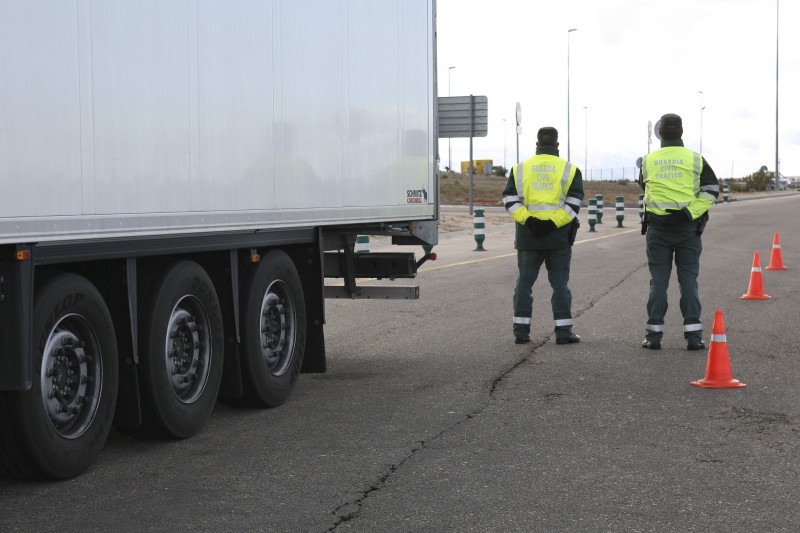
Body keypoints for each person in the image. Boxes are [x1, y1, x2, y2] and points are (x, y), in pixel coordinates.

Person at [639, 113, 719, 350]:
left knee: (658, 283)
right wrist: (689, 212)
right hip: (688, 230)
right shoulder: (696, 159)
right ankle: (694, 337)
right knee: (689, 282)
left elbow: (644, 186)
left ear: (660, 133)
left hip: (658, 230)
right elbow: (712, 190)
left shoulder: (647, 160)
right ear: (681, 132)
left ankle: (653, 337)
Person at [503, 127, 584, 345]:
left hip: (528, 237)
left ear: (537, 144)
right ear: (557, 145)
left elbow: (510, 200)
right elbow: (574, 203)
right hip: (558, 237)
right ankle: (564, 331)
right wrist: (552, 223)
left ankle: (521, 332)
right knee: (560, 284)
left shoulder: (520, 169)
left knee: (524, 284)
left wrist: (529, 220)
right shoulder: (569, 169)